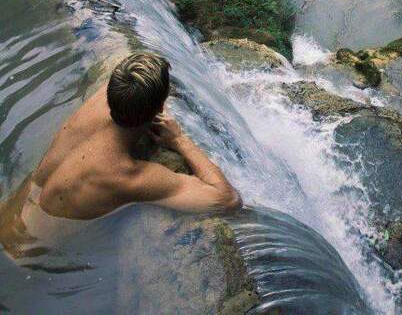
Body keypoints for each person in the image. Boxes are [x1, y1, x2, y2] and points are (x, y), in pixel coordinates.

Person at [0, 52, 241, 257]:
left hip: (6, 216)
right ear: (159, 108)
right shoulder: (125, 176)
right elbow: (228, 200)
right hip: (23, 256)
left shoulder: (99, 101)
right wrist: (180, 141)